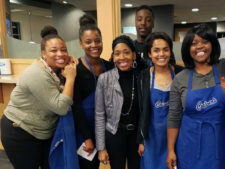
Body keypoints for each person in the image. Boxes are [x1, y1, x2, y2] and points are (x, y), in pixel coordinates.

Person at [0, 25, 76, 169]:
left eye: (64, 50)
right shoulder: (37, 73)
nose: (60, 54)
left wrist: (69, 62)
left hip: (43, 133)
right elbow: (61, 107)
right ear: (43, 54)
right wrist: (71, 78)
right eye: (53, 51)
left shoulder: (56, 69)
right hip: (20, 131)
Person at [166, 24, 225, 169]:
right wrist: (171, 150)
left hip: (221, 141)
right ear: (187, 48)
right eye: (194, 43)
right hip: (190, 143)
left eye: (205, 42)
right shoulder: (180, 79)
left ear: (213, 44)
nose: (199, 47)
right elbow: (173, 116)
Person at [71, 14, 113, 169]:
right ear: (81, 44)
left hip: (103, 128)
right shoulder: (76, 69)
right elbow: (76, 108)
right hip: (84, 131)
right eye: (88, 42)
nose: (94, 45)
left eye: (97, 41)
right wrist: (87, 138)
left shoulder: (109, 67)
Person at [137, 32, 183, 169]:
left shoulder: (181, 73)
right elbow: (141, 110)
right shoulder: (144, 77)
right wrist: (141, 140)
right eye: (156, 50)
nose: (161, 54)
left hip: (177, 136)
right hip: (152, 137)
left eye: (165, 49)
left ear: (170, 51)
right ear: (149, 54)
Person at [95, 35, 141, 169]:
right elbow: (99, 115)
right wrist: (101, 148)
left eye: (126, 52)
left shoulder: (141, 77)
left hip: (136, 136)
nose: (122, 58)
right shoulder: (104, 79)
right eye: (117, 54)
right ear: (113, 57)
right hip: (114, 135)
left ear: (133, 55)